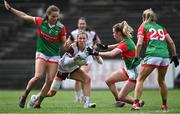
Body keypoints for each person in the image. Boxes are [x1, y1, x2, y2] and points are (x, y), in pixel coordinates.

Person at [4, 0, 67, 108]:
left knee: (50, 80)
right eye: (53, 16)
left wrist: (68, 44)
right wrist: (10, 9)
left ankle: (38, 104)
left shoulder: (61, 27)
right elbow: (24, 16)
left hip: (54, 56)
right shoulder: (40, 21)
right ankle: (24, 95)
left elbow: (64, 44)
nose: (55, 18)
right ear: (48, 15)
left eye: (57, 16)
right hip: (41, 53)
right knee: (38, 76)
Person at [27, 31, 103, 108]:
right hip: (61, 69)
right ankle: (35, 98)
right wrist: (75, 59)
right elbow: (65, 62)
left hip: (73, 70)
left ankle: (87, 103)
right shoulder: (73, 47)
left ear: (87, 39)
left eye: (84, 38)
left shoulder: (88, 49)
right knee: (52, 93)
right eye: (80, 38)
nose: (82, 40)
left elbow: (101, 62)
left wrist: (97, 55)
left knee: (87, 79)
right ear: (77, 39)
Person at [131, 8, 179, 111]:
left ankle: (135, 104)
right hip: (165, 56)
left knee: (140, 79)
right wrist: (174, 55)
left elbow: (139, 43)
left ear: (144, 17)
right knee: (162, 81)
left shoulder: (143, 26)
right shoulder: (161, 28)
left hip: (152, 55)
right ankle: (164, 105)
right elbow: (171, 42)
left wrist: (136, 56)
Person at [89, 21, 144, 107]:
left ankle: (137, 102)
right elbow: (117, 45)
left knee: (121, 96)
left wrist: (96, 53)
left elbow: (112, 54)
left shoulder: (125, 43)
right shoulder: (126, 40)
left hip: (134, 72)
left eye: (114, 32)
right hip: (129, 68)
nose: (113, 34)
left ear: (119, 33)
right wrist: (105, 47)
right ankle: (119, 101)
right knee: (109, 81)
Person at [67, 17, 101, 102]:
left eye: (83, 23)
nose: (82, 25)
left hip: (88, 57)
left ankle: (84, 96)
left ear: (86, 24)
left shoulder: (92, 33)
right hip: (76, 57)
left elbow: (98, 42)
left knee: (83, 74)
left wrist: (94, 47)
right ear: (78, 24)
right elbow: (68, 43)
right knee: (78, 78)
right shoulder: (74, 33)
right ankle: (78, 97)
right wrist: (69, 46)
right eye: (80, 23)